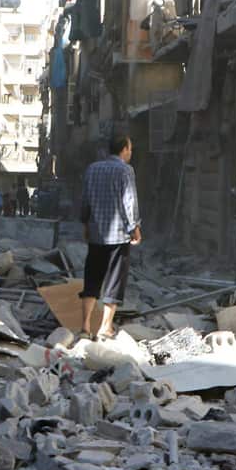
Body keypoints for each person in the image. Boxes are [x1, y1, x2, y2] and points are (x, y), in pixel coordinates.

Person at [79, 135, 141, 341]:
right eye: (130, 149)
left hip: (96, 234)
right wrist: (134, 228)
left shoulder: (92, 169)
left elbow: (85, 199)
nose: (131, 153)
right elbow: (129, 201)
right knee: (114, 281)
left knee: (92, 279)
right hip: (119, 235)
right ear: (124, 149)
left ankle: (85, 327)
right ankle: (105, 327)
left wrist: (86, 224)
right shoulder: (125, 170)